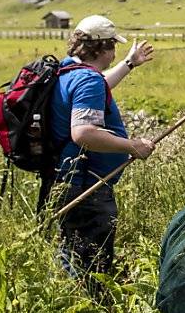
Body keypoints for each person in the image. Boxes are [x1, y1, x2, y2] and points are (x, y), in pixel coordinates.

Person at [50, 15, 156, 296]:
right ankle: (94, 312)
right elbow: (83, 132)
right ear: (103, 48)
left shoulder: (68, 72)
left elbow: (97, 86)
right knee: (92, 257)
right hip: (87, 183)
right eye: (113, 48)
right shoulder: (87, 81)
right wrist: (131, 145)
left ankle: (69, 302)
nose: (115, 54)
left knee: (71, 248)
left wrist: (130, 64)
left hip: (64, 178)